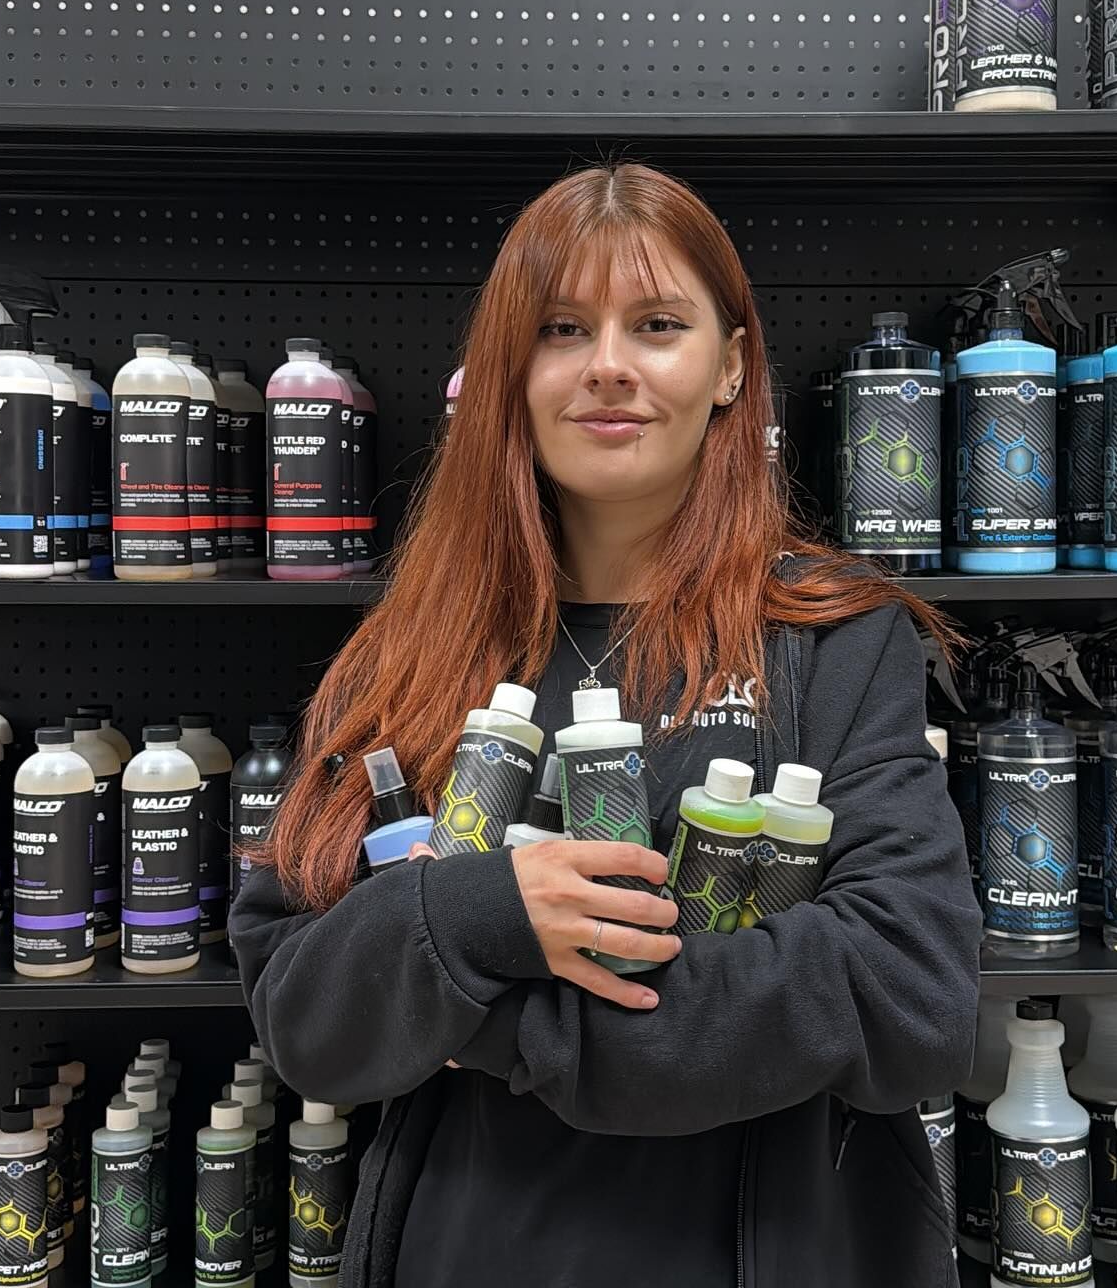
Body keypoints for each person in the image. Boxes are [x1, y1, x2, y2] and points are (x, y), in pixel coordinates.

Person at [231, 162, 981, 1288]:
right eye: (563, 328)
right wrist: (481, 914)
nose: (610, 367)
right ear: (505, 374)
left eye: (660, 324)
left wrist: (492, 1023)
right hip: (471, 1246)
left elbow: (911, 998)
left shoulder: (835, 637)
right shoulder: (414, 647)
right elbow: (301, 1010)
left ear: (730, 368)